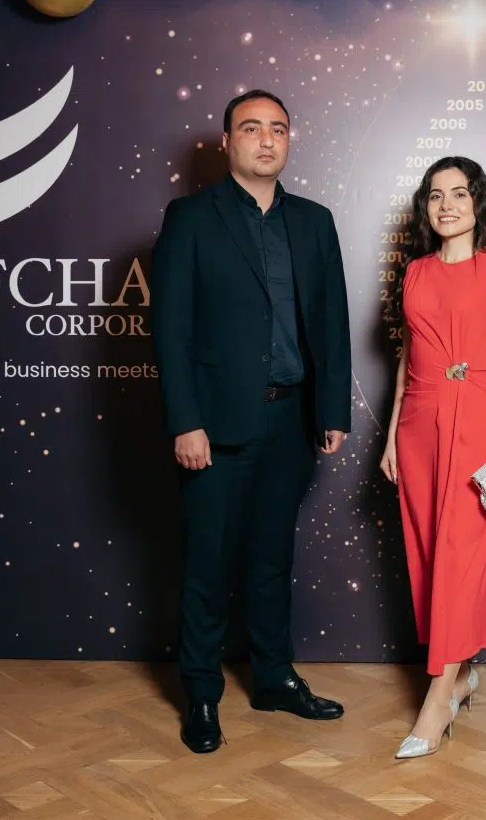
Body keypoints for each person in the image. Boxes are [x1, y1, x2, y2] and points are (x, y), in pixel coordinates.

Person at [150, 89, 353, 754]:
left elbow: (331, 321)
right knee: (208, 564)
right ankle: (202, 694)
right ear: (226, 141)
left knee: (271, 560)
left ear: (289, 140)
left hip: (292, 421)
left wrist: (332, 409)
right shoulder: (190, 218)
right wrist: (185, 421)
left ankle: (273, 679)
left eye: (278, 129)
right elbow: (170, 328)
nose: (267, 140)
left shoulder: (315, 221)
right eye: (252, 128)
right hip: (213, 426)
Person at [378, 155, 486, 759]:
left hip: (479, 422)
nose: (447, 205)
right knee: (427, 555)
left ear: (479, 203)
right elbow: (406, 360)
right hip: (419, 423)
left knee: (460, 557)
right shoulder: (416, 272)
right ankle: (464, 674)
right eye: (436, 195)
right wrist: (391, 436)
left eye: (460, 194)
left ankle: (437, 700)